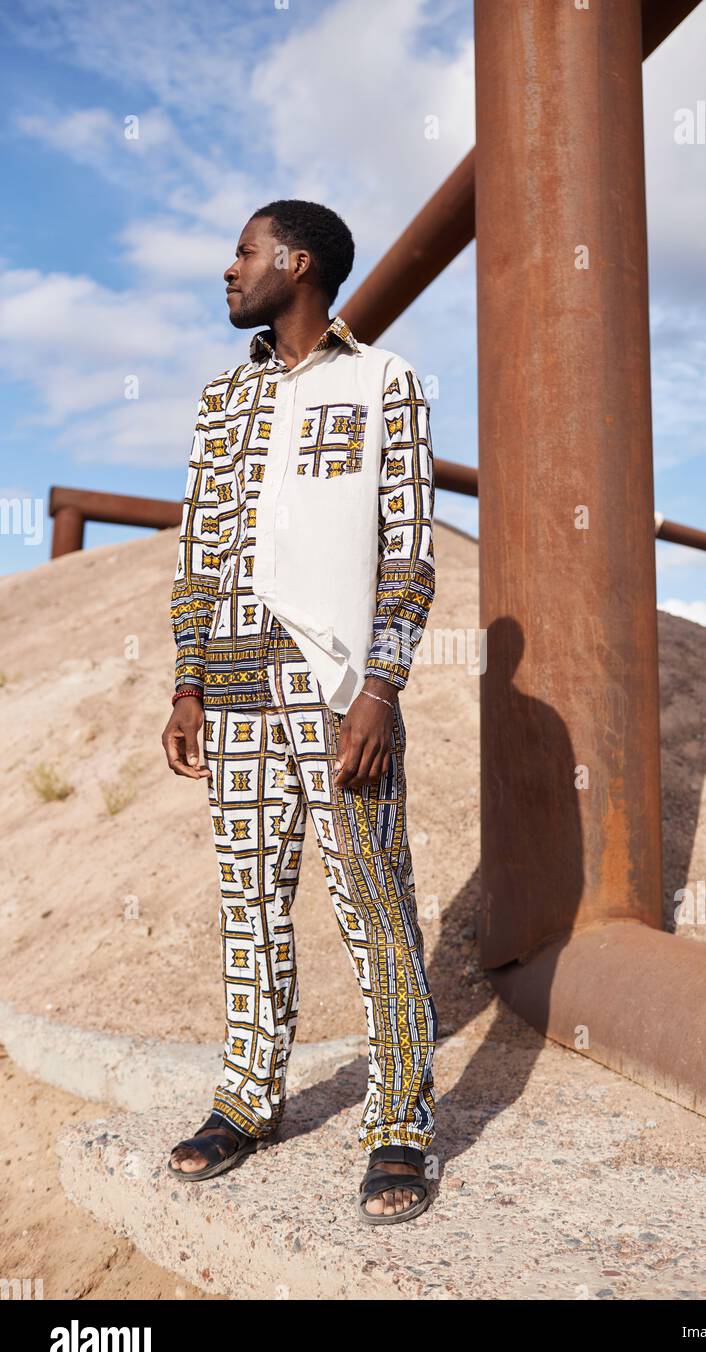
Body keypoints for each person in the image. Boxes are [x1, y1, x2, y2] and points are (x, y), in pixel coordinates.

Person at [160, 199, 438, 1225]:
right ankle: (247, 1097)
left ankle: (398, 1122)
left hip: (333, 697)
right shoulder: (216, 403)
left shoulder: (382, 381)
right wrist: (187, 680)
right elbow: (198, 557)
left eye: (243, 253)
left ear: (296, 261)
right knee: (249, 907)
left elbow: (408, 551)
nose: (228, 270)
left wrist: (378, 688)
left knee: (372, 909)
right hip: (227, 697)